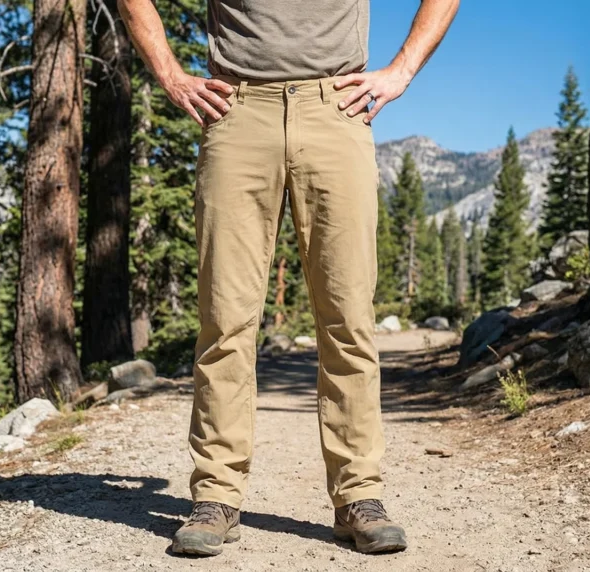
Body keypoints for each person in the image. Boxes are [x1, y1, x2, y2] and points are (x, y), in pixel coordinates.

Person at [117, 0, 460, 556]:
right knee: (225, 320)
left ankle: (359, 497)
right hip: (236, 111)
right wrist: (170, 74)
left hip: (336, 110)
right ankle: (215, 497)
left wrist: (402, 70)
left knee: (348, 317)